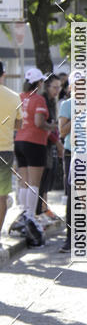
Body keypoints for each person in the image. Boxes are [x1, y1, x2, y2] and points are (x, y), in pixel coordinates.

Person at [14, 67, 56, 246]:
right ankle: (30, 216)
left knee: (23, 180)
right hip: (35, 142)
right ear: (39, 83)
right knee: (34, 183)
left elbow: (16, 121)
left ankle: (24, 213)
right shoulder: (38, 99)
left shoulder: (19, 97)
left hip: (19, 140)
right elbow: (39, 122)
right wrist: (51, 126)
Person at [0, 61, 22, 241]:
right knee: (2, 196)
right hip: (5, 150)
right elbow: (19, 124)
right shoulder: (14, 96)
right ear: (3, 74)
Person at [36, 74, 62, 221]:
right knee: (42, 178)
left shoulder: (52, 101)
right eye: (55, 87)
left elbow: (54, 125)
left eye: (59, 87)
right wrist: (57, 142)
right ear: (47, 86)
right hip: (42, 143)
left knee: (48, 177)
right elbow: (45, 125)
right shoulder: (43, 100)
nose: (57, 90)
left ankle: (44, 207)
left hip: (50, 143)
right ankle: (39, 210)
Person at [57, 73, 74, 253]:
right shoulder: (66, 105)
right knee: (72, 195)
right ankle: (70, 238)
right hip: (72, 153)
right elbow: (62, 132)